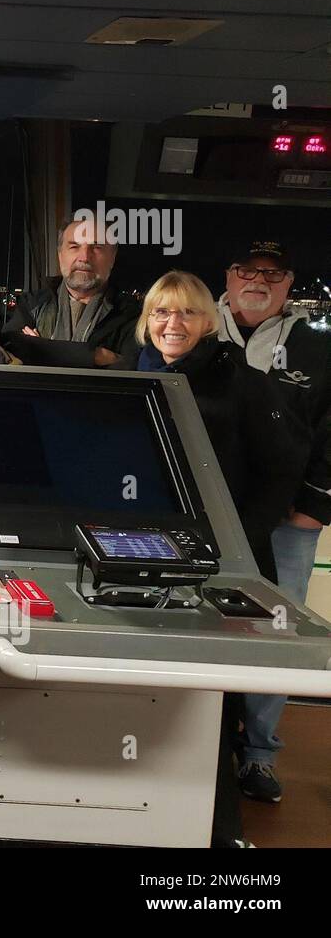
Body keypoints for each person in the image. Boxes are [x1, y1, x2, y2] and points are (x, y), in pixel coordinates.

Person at [132, 270, 305, 850]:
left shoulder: (245, 383)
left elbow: (282, 466)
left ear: (208, 320)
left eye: (184, 314)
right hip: (153, 554)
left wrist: (239, 540)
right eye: (160, 313)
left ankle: (218, 832)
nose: (172, 325)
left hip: (229, 562)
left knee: (215, 694)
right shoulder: (136, 373)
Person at [215, 242, 331, 805]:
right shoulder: (193, 326)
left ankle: (258, 754)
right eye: (247, 269)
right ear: (229, 277)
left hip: (288, 518)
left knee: (278, 630)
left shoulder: (318, 345)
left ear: (288, 285)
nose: (258, 280)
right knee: (200, 623)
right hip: (210, 514)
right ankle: (205, 741)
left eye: (273, 273)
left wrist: (314, 503)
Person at [3, 216, 139, 367]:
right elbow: (8, 347)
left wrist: (39, 347)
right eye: (74, 247)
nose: (84, 257)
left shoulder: (131, 314)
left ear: (112, 258)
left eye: (97, 247)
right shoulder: (33, 304)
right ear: (60, 255)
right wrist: (95, 356)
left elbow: (129, 366)